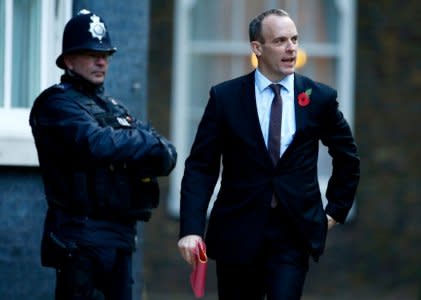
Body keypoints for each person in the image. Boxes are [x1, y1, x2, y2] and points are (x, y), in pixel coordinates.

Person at [177, 8, 360, 300]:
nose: (290, 48)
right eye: (280, 41)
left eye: (295, 39)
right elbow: (201, 166)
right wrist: (191, 229)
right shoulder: (225, 98)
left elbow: (347, 158)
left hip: (293, 234)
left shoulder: (318, 98)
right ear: (257, 48)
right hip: (237, 232)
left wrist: (335, 211)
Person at [29, 9, 177, 300]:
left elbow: (166, 154)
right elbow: (95, 143)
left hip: (120, 237)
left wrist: (140, 142)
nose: (101, 61)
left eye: (106, 55)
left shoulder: (113, 108)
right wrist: (142, 142)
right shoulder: (56, 104)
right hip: (81, 239)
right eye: (91, 54)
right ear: (69, 61)